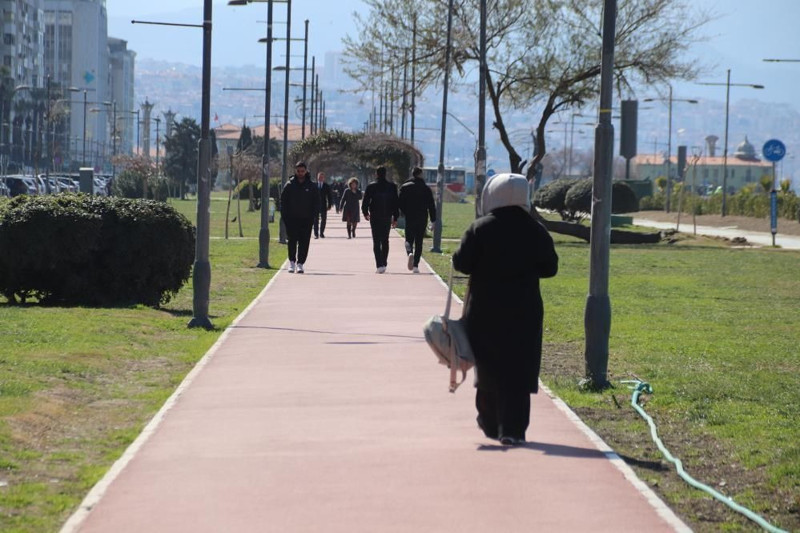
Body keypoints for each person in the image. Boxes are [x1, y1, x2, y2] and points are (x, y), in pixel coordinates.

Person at [452, 174, 558, 446]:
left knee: (488, 367)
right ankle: (513, 429)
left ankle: (489, 423)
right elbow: (550, 269)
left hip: (485, 311)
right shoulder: (536, 230)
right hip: (524, 311)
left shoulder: (480, 228)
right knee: (518, 370)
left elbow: (462, 264)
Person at [279, 161, 319, 274]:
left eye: (302, 171)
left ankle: (300, 263)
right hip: (291, 220)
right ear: (295, 171)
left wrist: (313, 217)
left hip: (306, 220)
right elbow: (283, 202)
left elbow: (316, 203)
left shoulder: (311, 186)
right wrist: (285, 217)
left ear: (306, 171)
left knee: (304, 242)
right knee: (292, 241)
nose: (300, 173)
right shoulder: (289, 185)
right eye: (298, 171)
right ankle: (291, 262)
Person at [398, 166, 436, 273]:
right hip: (422, 217)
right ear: (421, 174)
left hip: (410, 216)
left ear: (412, 174)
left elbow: (400, 203)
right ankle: (415, 265)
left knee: (408, 239)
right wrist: (433, 220)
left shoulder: (405, 187)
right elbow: (431, 205)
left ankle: (409, 252)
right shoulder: (426, 188)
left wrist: (404, 212)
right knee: (419, 241)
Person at [361, 166, 399, 273]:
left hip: (375, 216)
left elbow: (366, 201)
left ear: (376, 174)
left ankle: (379, 264)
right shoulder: (392, 187)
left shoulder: (371, 187)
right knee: (385, 240)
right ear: (385, 174)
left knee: (376, 241)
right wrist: (395, 218)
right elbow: (395, 203)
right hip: (387, 216)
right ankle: (384, 262)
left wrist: (365, 213)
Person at [313, 171, 334, 239]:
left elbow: (329, 196)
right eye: (319, 177)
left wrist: (329, 205)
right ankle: (316, 234)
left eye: (322, 177)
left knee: (323, 219)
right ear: (317, 177)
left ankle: (321, 233)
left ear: (323, 178)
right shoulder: (314, 185)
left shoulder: (326, 186)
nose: (320, 178)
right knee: (315, 220)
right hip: (315, 205)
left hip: (323, 205)